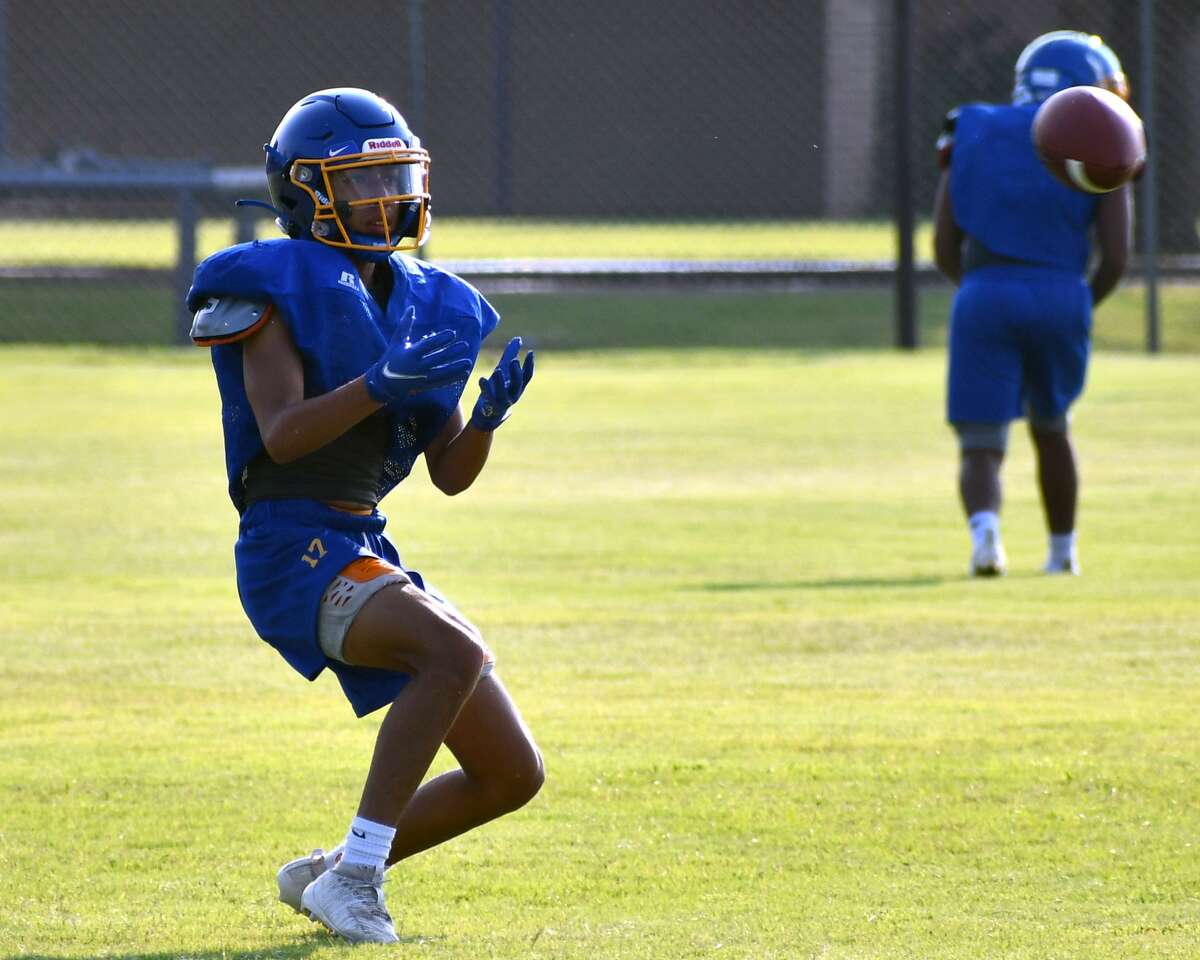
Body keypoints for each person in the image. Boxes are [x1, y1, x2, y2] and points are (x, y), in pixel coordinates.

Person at [187, 88, 544, 944]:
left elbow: (450, 474)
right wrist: (378, 385)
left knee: (509, 773)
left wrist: (486, 420)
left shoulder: (428, 300)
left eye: (396, 173)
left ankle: (333, 867)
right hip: (288, 544)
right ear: (308, 192)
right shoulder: (270, 288)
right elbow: (284, 432)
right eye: (364, 178)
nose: (387, 194)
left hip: (359, 538)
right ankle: (354, 880)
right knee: (448, 651)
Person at [932, 31, 1133, 577]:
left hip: (984, 290)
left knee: (980, 441)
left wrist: (979, 288)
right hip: (1061, 292)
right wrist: (1077, 301)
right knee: (1052, 426)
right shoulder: (1101, 134)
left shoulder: (971, 126)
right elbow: (1116, 256)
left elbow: (944, 244)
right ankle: (1062, 552)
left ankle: (986, 537)